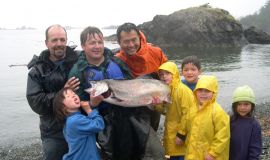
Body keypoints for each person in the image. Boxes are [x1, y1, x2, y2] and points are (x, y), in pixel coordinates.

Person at [68, 26, 159, 160]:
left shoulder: (117, 61)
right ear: (83, 45)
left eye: (100, 42)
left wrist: (148, 97)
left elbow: (132, 85)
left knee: (153, 151)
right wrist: (92, 105)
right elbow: (75, 105)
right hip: (103, 123)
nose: (97, 46)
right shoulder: (77, 71)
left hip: (128, 115)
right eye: (92, 43)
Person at [26, 24, 80, 160]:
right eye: (54, 40)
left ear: (66, 40)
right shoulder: (37, 71)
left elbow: (99, 52)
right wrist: (63, 93)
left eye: (62, 39)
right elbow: (36, 102)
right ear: (46, 43)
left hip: (81, 126)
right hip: (53, 131)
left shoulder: (80, 60)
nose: (59, 44)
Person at [155, 61, 197, 160]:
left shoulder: (182, 90)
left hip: (181, 135)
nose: (164, 77)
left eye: (167, 73)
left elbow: (188, 115)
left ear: (175, 74)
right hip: (171, 134)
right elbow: (166, 112)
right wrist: (157, 104)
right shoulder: (167, 90)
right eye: (161, 75)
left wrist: (181, 135)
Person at [185, 75, 230, 160]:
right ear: (195, 92)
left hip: (210, 156)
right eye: (200, 90)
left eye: (207, 91)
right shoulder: (193, 109)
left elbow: (223, 135)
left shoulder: (217, 111)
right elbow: (187, 126)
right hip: (193, 152)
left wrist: (213, 153)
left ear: (214, 93)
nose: (203, 93)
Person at [53, 88, 104, 160]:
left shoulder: (70, 121)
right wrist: (89, 110)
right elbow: (99, 125)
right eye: (68, 96)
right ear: (63, 107)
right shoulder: (75, 121)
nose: (73, 96)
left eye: (74, 94)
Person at [229, 85, 262, 160]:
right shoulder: (230, 120)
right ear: (234, 106)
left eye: (246, 104)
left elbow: (255, 148)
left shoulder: (255, 125)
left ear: (252, 106)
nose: (242, 107)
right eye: (239, 104)